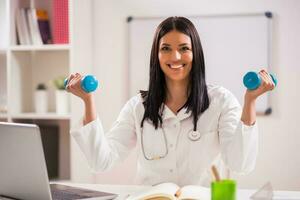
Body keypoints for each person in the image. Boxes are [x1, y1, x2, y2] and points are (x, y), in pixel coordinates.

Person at [67, 16, 275, 186]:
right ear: (156, 55)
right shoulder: (138, 106)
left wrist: (250, 101)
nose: (175, 56)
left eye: (184, 48)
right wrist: (88, 100)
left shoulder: (221, 101)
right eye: (166, 48)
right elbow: (101, 161)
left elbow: (241, 164)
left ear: (196, 53)